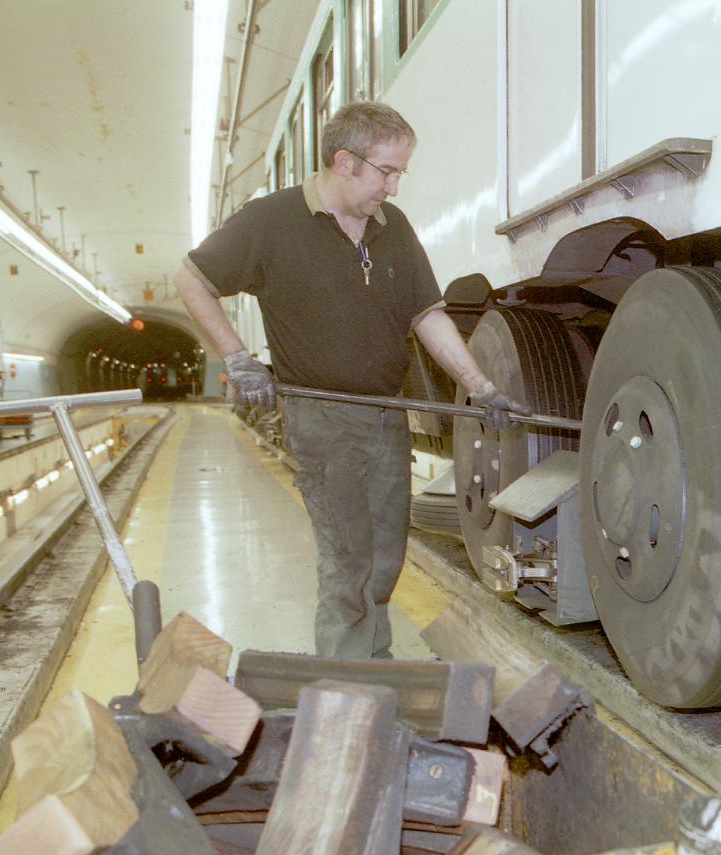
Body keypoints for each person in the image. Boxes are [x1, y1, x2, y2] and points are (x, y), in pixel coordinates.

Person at [173, 101, 530, 659]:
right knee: (348, 563)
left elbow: (426, 315)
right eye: (387, 171)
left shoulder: (393, 228)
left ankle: (373, 669)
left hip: (386, 417)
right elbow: (190, 276)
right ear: (345, 161)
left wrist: (479, 385)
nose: (393, 187)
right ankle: (346, 687)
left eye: (399, 173)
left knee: (385, 556)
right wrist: (236, 356)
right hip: (322, 419)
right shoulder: (272, 220)